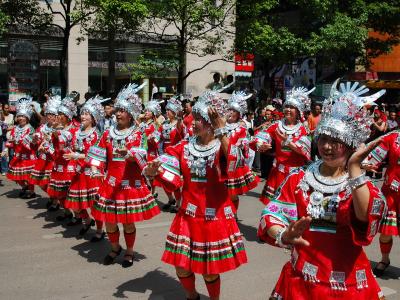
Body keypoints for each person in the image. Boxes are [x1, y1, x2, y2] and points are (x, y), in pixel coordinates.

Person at [258, 80, 387, 300]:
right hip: (303, 277)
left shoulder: (358, 184)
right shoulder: (299, 178)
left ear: (350, 144)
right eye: (324, 139)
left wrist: (355, 168)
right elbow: (272, 213)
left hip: (348, 281)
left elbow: (366, 217)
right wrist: (283, 234)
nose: (327, 147)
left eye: (336, 141)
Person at [144, 90, 253, 300]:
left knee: (209, 270)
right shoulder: (185, 146)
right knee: (182, 267)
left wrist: (222, 131)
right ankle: (192, 296)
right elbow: (167, 162)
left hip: (214, 217)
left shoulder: (222, 147)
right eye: (194, 119)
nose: (193, 124)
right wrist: (153, 169)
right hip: (187, 215)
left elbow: (234, 162)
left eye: (199, 120)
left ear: (212, 123)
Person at [87, 83, 160, 267]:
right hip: (110, 184)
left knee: (128, 222)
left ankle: (128, 251)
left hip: (130, 184)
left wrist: (129, 154)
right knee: (109, 220)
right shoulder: (107, 133)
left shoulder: (138, 134)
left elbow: (142, 155)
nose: (118, 114)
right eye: (117, 110)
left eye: (122, 111)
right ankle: (114, 247)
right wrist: (95, 170)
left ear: (131, 114)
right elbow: (98, 154)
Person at [252, 86, 313, 204]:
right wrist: (261, 145)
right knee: (275, 205)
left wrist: (287, 142)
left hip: (296, 174)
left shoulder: (303, 129)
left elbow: (305, 151)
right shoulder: (277, 125)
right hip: (278, 173)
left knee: (295, 206)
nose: (288, 110)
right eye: (287, 106)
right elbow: (261, 136)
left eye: (292, 107)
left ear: (298, 111)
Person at [63, 96, 106, 240]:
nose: (83, 116)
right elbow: (72, 148)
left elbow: (95, 155)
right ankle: (87, 221)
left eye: (87, 114)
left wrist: (77, 156)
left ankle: (100, 230)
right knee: (76, 204)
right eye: (82, 113)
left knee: (95, 205)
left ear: (93, 118)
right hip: (78, 172)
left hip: (92, 173)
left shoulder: (96, 134)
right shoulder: (76, 133)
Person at [363, 126, 400, 277]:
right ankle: (385, 259)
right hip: (391, 190)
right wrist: (365, 163)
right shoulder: (393, 138)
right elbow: (374, 157)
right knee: (385, 232)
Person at [225, 91, 260, 213]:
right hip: (219, 162)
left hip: (233, 164)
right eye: (229, 109)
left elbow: (247, 142)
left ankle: (233, 215)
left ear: (239, 113)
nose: (230, 113)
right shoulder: (220, 125)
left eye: (234, 111)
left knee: (232, 193)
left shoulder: (241, 128)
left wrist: (242, 144)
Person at [47, 97, 79, 220]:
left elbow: (63, 144)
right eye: (58, 114)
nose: (59, 116)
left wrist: (55, 131)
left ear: (68, 116)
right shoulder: (60, 128)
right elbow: (55, 146)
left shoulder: (74, 129)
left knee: (69, 193)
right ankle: (67, 213)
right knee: (58, 193)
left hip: (69, 164)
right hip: (58, 162)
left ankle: (78, 217)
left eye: (61, 114)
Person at [2, 98, 36, 198]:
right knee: (15, 176)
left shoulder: (30, 129)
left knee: (28, 176)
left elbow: (29, 143)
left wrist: (17, 141)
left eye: (23, 116)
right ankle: (25, 187)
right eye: (19, 116)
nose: (21, 118)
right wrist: (5, 150)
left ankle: (31, 191)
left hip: (28, 156)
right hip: (18, 156)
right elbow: (10, 140)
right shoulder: (15, 128)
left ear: (27, 118)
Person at [156, 96, 186, 213]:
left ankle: (179, 203)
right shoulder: (164, 124)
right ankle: (170, 199)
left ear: (174, 112)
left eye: (169, 110)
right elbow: (157, 136)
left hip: (175, 155)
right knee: (163, 178)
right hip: (164, 154)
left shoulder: (179, 124)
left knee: (173, 180)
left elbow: (183, 134)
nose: (167, 112)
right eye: (167, 110)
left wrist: (179, 119)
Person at [29, 96, 60, 199]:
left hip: (54, 159)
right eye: (48, 114)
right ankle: (53, 198)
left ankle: (55, 201)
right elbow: (36, 139)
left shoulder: (60, 128)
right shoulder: (42, 127)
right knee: (41, 183)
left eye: (52, 114)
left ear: (57, 116)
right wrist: (35, 140)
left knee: (52, 183)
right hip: (43, 158)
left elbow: (60, 144)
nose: (49, 116)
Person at [1, 103, 15, 175]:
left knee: (12, 154)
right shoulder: (1, 116)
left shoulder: (12, 116)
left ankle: (11, 168)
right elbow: (2, 129)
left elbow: (13, 126)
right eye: (5, 108)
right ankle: (4, 170)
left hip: (11, 138)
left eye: (8, 108)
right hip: (4, 138)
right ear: (3, 109)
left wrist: (7, 128)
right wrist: (7, 128)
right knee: (4, 154)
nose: (7, 109)